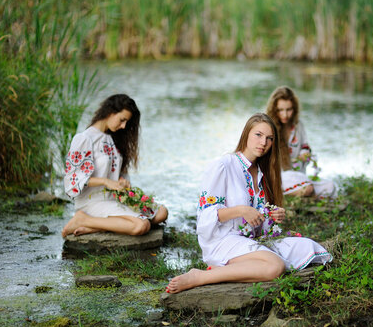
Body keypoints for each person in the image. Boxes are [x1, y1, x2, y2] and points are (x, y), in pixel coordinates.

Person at [165, 113, 331, 294]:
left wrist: (272, 215)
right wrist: (241, 210)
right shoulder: (224, 165)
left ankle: (250, 263)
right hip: (223, 240)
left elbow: (258, 226)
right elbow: (206, 215)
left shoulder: (263, 173)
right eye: (258, 135)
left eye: (269, 138)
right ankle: (201, 276)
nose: (263, 143)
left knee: (307, 246)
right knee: (275, 266)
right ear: (246, 134)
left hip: (248, 240)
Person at [61, 94, 168, 237]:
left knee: (161, 212)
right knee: (141, 225)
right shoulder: (85, 139)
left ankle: (94, 226)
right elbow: (72, 180)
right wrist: (105, 181)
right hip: (92, 202)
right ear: (110, 112)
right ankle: (83, 218)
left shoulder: (114, 139)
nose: (124, 126)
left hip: (114, 198)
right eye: (122, 120)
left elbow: (116, 174)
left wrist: (122, 182)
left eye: (126, 122)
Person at [266, 86, 336, 198]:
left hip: (299, 176)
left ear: (294, 109)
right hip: (279, 178)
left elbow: (305, 145)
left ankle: (298, 194)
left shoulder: (298, 126)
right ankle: (283, 193)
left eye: (289, 109)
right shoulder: (269, 128)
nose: (285, 114)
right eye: (280, 110)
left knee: (330, 186)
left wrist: (304, 153)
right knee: (308, 188)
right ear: (274, 109)